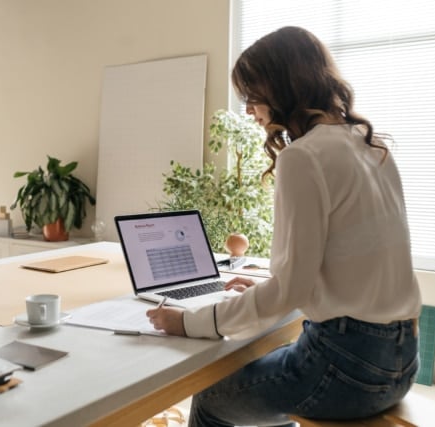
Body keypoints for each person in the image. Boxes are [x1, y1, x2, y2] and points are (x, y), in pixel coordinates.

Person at [146, 26, 421, 427]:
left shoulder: (303, 158)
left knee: (210, 396)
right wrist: (269, 289)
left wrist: (188, 321)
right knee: (267, 383)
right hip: (402, 361)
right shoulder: (370, 145)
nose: (249, 110)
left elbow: (289, 291)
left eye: (251, 96)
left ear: (280, 87)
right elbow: (349, 267)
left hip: (346, 369)